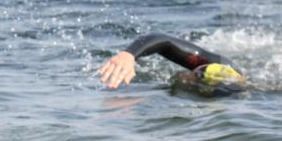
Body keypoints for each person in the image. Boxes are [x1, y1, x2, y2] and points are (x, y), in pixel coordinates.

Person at [98, 32, 246, 93]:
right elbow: (164, 41)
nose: (191, 74)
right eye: (198, 69)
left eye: (198, 75)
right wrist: (129, 54)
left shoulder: (231, 93)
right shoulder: (219, 64)